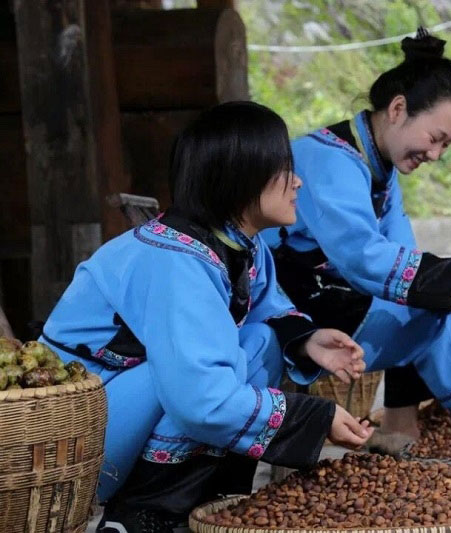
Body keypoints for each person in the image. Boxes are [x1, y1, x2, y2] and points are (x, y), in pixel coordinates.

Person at [39, 102, 371, 533]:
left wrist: (308, 341)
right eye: (284, 169)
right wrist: (315, 418)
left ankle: (214, 503)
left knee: (259, 343)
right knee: (200, 373)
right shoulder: (174, 261)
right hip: (73, 442)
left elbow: (270, 310)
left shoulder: (240, 245)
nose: (298, 181)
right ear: (242, 175)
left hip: (120, 413)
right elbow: (201, 399)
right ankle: (143, 516)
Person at [261, 29, 451, 443]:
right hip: (281, 309)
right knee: (427, 308)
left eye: (447, 145)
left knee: (427, 301)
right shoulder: (328, 159)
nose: (437, 154)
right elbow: (362, 258)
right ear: (398, 109)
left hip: (323, 298)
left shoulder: (379, 169)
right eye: (435, 138)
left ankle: (404, 428)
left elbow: (403, 261)